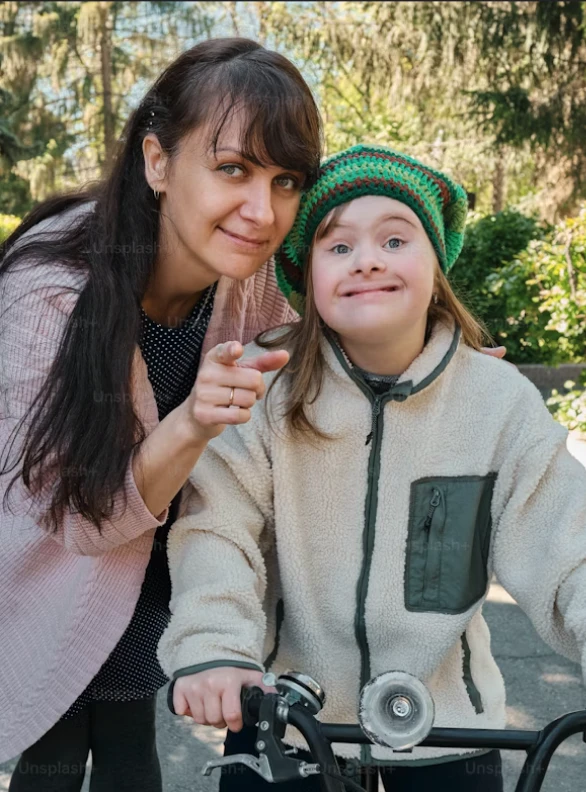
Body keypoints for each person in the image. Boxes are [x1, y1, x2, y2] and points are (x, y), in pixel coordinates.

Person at [159, 145, 586, 792]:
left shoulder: (497, 402)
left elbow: (566, 542)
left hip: (449, 729)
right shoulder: (266, 385)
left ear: (436, 262)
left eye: (394, 238)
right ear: (307, 280)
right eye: (338, 248)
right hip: (284, 718)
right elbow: (218, 526)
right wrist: (214, 647)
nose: (367, 259)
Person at [0, 37, 322, 791]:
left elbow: (318, 335)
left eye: (286, 181)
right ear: (157, 162)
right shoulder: (48, 297)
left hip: (152, 570)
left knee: (126, 738)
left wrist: (431, 358)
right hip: (54, 565)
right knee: (52, 748)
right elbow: (78, 525)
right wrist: (191, 424)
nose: (261, 210)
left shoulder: (245, 277)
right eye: (233, 169)